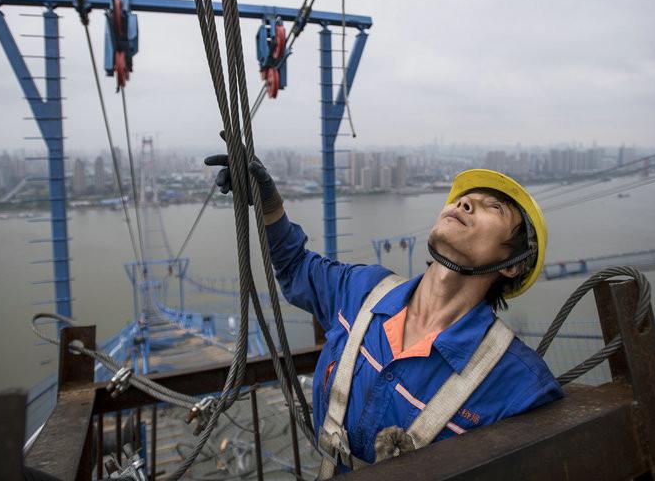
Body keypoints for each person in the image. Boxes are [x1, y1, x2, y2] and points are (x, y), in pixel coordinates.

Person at [205, 154, 563, 475]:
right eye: (463, 198)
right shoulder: (363, 290)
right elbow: (296, 267)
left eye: (494, 208)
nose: (465, 202)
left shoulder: (519, 385)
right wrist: (269, 204)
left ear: (513, 265)